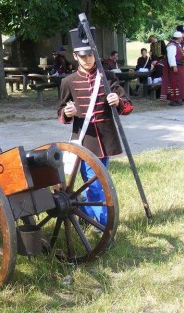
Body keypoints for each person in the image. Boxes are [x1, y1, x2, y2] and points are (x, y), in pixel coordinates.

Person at [58, 27, 133, 226]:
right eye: (83, 56)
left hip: (106, 140)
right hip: (85, 141)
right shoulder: (68, 81)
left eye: (90, 55)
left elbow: (128, 106)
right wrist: (67, 112)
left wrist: (117, 100)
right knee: (95, 184)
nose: (88, 59)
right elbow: (60, 113)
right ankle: (102, 225)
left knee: (97, 183)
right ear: (75, 56)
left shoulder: (107, 77)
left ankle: (88, 215)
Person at [160, 31, 184, 106]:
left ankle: (178, 98)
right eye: (181, 38)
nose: (182, 39)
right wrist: (174, 66)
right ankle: (173, 99)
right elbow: (171, 57)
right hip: (175, 67)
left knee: (179, 83)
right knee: (174, 83)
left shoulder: (177, 45)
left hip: (180, 67)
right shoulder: (172, 46)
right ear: (179, 38)